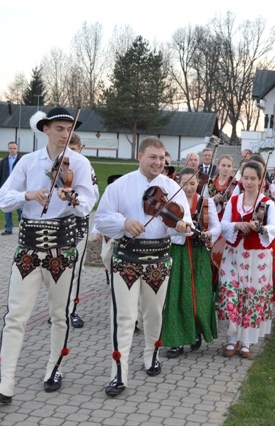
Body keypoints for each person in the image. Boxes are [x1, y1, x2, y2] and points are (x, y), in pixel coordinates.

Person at [0, 107, 98, 404]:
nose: (65, 134)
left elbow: (88, 203)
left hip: (62, 249)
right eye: (59, 128)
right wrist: (29, 195)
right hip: (29, 249)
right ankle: (5, 382)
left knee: (59, 315)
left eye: (69, 129)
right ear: (46, 129)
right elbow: (4, 200)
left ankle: (54, 368)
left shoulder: (81, 164)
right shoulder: (28, 162)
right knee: (15, 316)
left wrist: (71, 199)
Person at [94, 136, 193, 397]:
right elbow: (101, 220)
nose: (158, 162)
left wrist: (182, 227)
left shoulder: (172, 187)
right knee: (124, 317)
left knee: (154, 314)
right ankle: (118, 374)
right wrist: (124, 223)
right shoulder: (120, 185)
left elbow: (186, 226)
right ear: (140, 157)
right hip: (126, 258)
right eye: (153, 157)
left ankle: (151, 356)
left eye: (162, 158)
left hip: (159, 259)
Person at [217, 160, 275, 359]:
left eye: (253, 178)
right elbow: (223, 224)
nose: (249, 182)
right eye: (246, 178)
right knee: (233, 295)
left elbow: (274, 227)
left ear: (261, 180)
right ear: (241, 178)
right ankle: (232, 338)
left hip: (257, 257)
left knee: (250, 298)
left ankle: (246, 342)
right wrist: (237, 225)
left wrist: (259, 228)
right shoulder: (234, 200)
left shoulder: (266, 202)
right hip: (233, 255)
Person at [162, 167, 220, 358]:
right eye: (185, 184)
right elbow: (166, 230)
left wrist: (208, 233)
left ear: (198, 184)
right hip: (178, 252)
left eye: (193, 184)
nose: (189, 188)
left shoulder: (205, 203)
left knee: (199, 294)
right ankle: (176, 340)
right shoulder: (172, 204)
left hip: (199, 254)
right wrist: (179, 229)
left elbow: (216, 226)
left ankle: (196, 332)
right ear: (179, 183)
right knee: (177, 294)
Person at [66, 133, 99, 328]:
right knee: (56, 269)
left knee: (76, 268)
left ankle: (72, 310)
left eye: (74, 149)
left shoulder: (87, 167)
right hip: (57, 224)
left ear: (80, 149)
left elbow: (93, 195)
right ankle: (57, 310)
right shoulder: (54, 166)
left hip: (78, 222)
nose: (70, 153)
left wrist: (75, 197)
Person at [0, 141, 22, 235]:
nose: (12, 150)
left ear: (17, 149)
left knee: (20, 209)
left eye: (14, 148)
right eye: (10, 148)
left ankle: (22, 227)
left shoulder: (21, 160)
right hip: (6, 188)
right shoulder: (4, 161)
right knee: (7, 209)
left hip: (18, 188)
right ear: (8, 149)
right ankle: (8, 228)